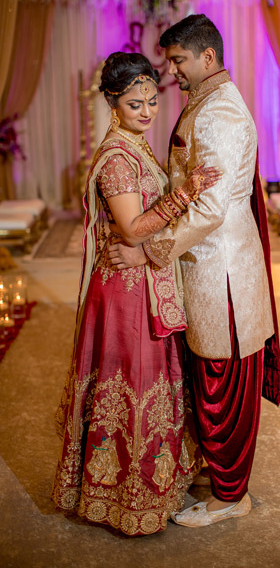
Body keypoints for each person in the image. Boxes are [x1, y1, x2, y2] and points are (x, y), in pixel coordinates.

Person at [108, 15, 280, 528]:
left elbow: (209, 212)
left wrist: (148, 251)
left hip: (220, 274)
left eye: (179, 60)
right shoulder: (206, 103)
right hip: (209, 267)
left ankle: (231, 497)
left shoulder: (219, 115)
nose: (172, 72)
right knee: (210, 379)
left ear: (208, 58)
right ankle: (221, 477)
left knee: (222, 384)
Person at [51, 51, 221, 536]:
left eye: (151, 101)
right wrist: (185, 193)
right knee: (133, 386)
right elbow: (131, 229)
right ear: (112, 103)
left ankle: (155, 483)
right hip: (125, 293)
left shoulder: (137, 145)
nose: (147, 112)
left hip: (142, 281)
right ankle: (123, 495)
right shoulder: (116, 160)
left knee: (154, 385)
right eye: (134, 104)